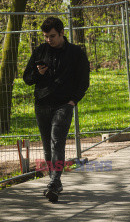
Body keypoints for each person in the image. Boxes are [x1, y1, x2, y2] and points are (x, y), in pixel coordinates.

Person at [23, 17, 90, 203]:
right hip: (42, 104)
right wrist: (39, 73)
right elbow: (27, 78)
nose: (48, 40)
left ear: (62, 33)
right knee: (47, 147)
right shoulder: (40, 51)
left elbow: (84, 80)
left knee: (56, 142)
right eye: (45, 36)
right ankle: (56, 181)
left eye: (52, 36)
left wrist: (73, 101)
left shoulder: (76, 53)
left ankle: (54, 181)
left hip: (64, 104)